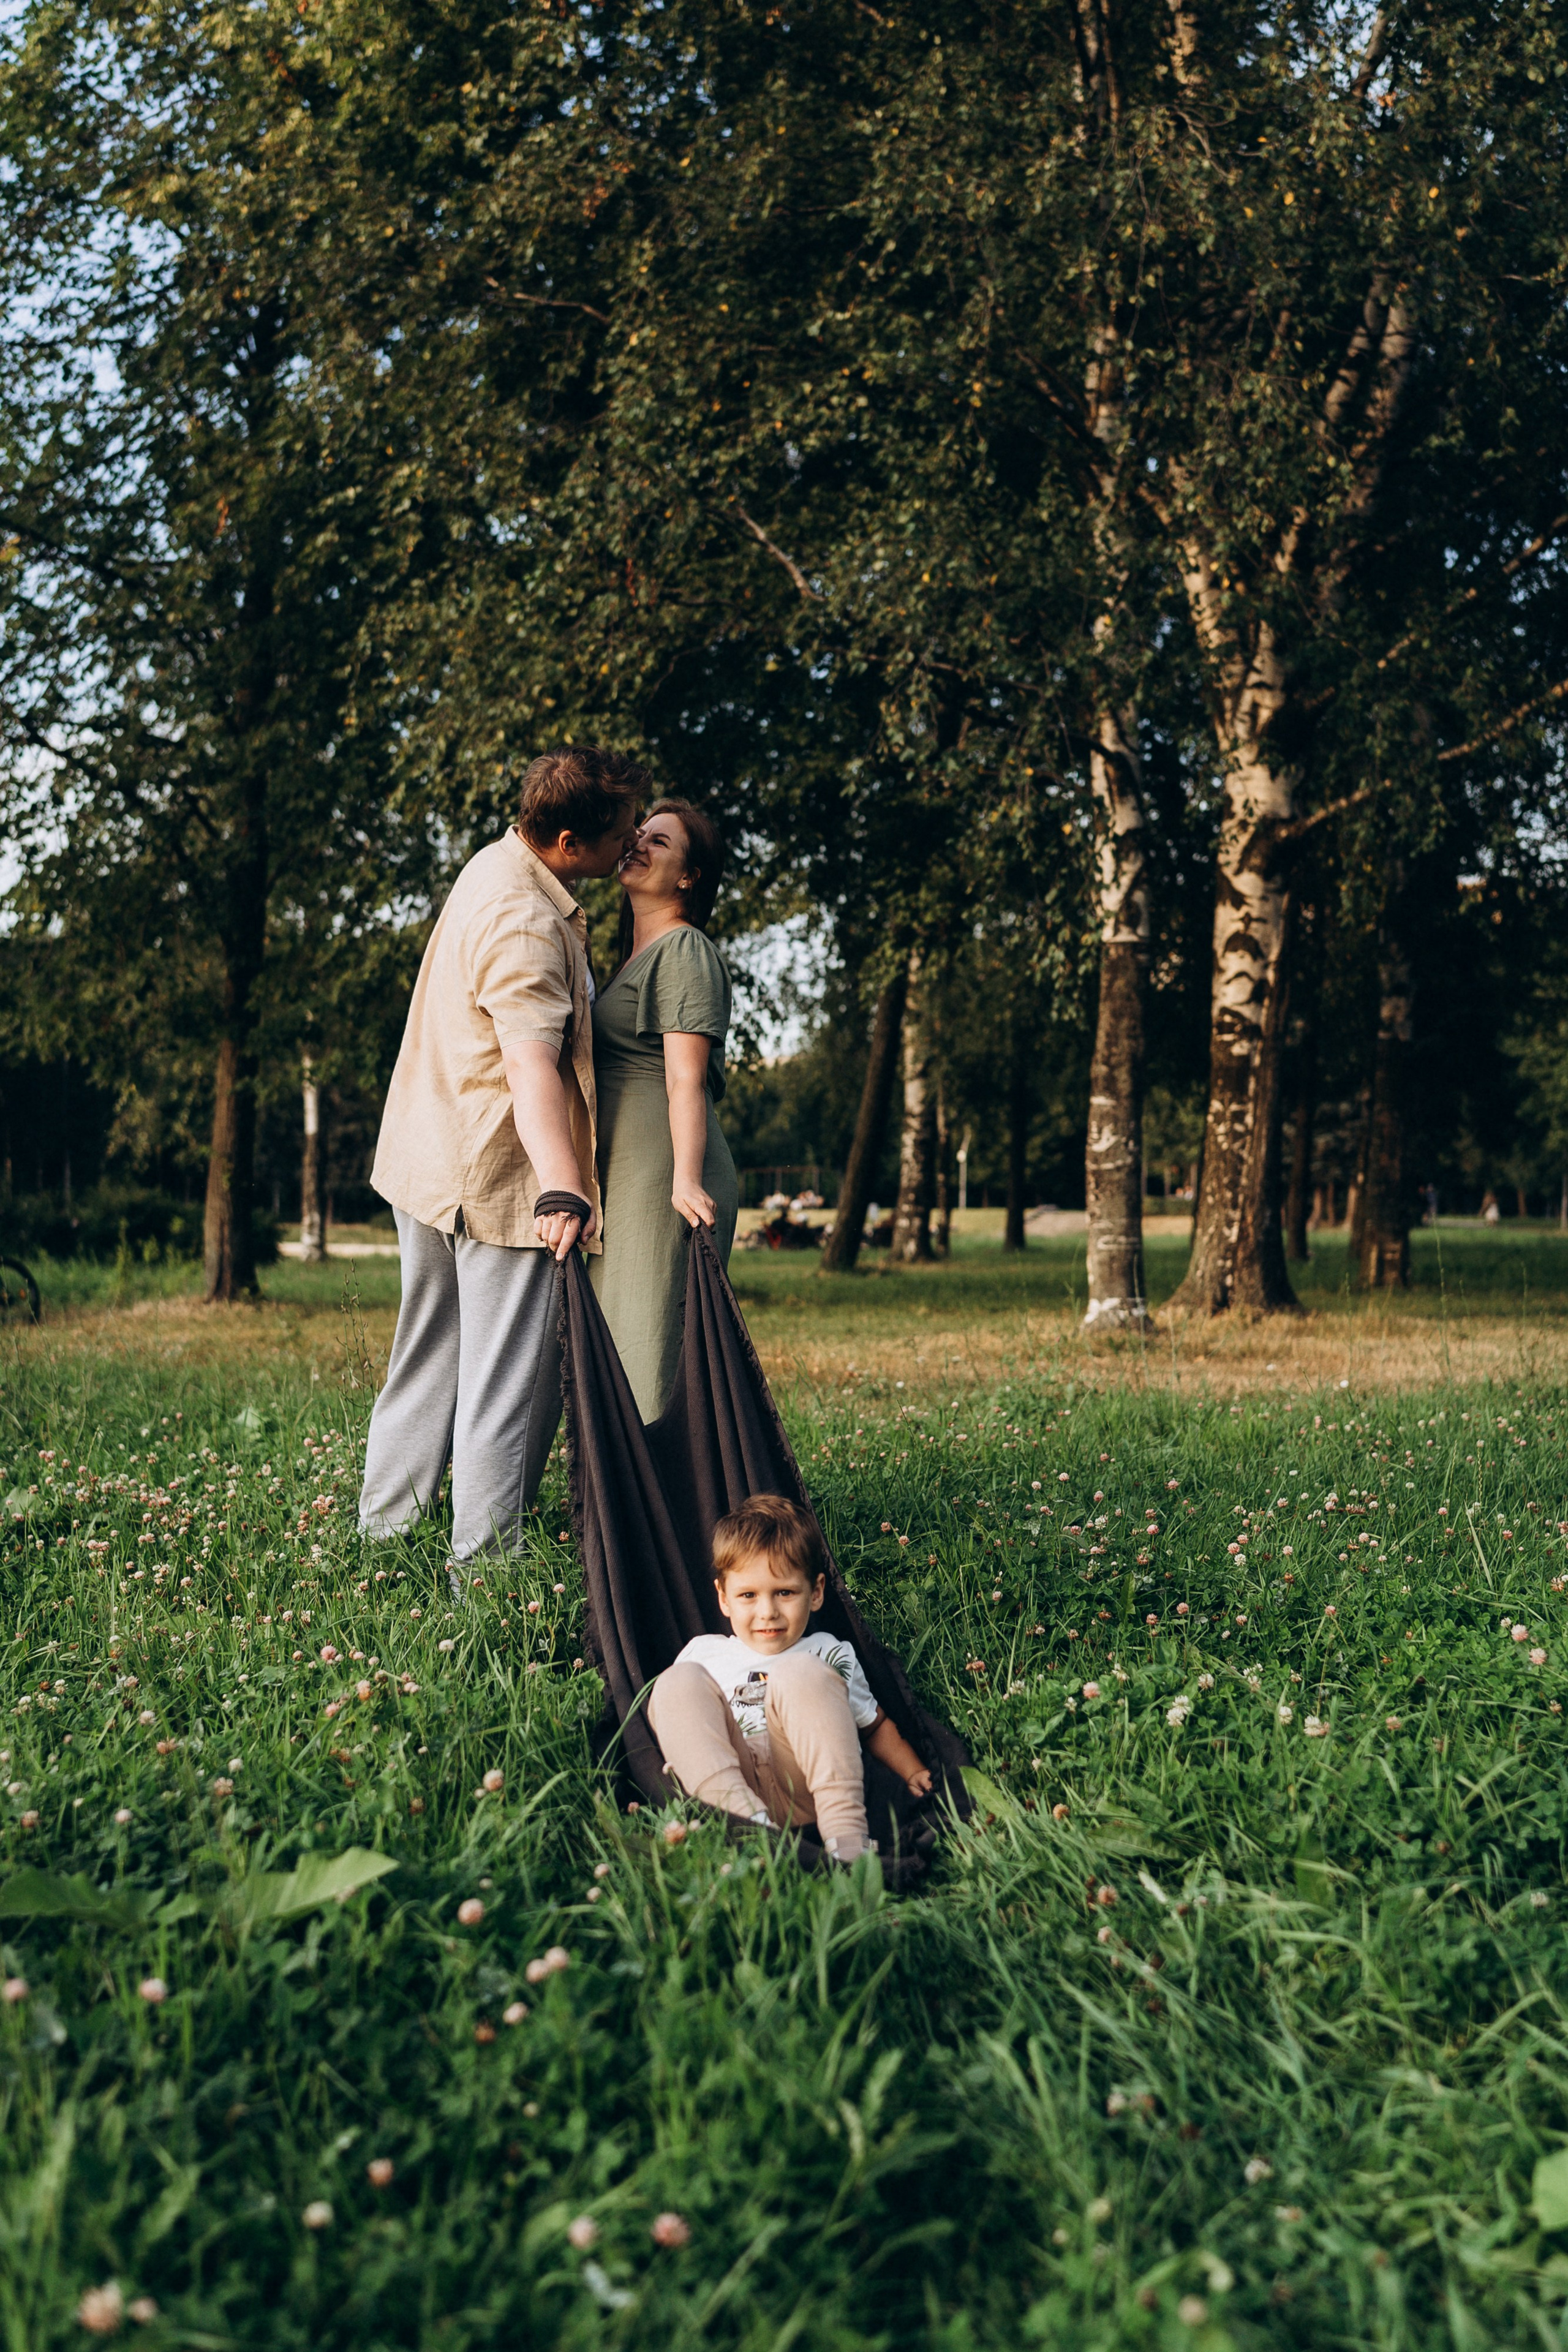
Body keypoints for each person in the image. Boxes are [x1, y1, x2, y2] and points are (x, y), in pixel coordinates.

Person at [358, 745, 646, 1566]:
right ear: (566, 841)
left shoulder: (498, 864)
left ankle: (382, 1541)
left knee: (426, 1363)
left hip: (432, 1159)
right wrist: (562, 1187)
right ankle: (484, 1577)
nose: (631, 840)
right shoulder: (526, 918)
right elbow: (529, 1063)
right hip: (497, 1179)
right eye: (621, 828)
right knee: (504, 1390)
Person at [646, 1493, 933, 1862]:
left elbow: (874, 1727)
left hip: (804, 1786)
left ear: (815, 1593)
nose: (768, 1612)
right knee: (675, 1683)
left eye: (785, 1593)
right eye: (748, 1595)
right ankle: (749, 1833)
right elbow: (684, 1729)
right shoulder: (704, 1653)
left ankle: (848, 1843)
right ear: (723, 1598)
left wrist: (912, 1770)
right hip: (732, 1784)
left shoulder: (828, 1652)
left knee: (802, 1672)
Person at [589, 797, 740, 1420]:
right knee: (620, 1342)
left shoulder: (684, 951)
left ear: (688, 877)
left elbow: (686, 1078)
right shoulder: (637, 956)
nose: (638, 844)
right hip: (630, 1172)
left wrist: (684, 1179)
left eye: (660, 842)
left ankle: (665, 1508)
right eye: (639, 833)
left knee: (648, 1351)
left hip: (666, 1175)